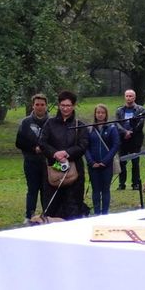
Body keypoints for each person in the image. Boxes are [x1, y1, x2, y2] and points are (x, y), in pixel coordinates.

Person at [39, 90, 89, 219]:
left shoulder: (80, 125)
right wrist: (55, 153)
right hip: (54, 167)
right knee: (53, 204)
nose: (65, 108)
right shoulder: (49, 123)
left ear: (73, 106)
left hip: (74, 170)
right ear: (58, 105)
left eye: (68, 105)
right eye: (63, 105)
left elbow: (83, 145)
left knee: (73, 205)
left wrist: (67, 153)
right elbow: (42, 143)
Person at [14, 93, 50, 223]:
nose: (39, 107)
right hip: (31, 161)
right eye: (37, 105)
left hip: (47, 162)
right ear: (32, 106)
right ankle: (29, 215)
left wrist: (45, 149)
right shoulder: (25, 122)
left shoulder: (51, 121)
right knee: (32, 189)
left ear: (46, 106)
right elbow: (19, 142)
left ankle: (47, 215)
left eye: (42, 105)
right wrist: (33, 148)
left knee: (46, 190)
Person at [85, 104, 120, 216]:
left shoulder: (111, 128)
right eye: (98, 112)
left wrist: (105, 161)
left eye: (102, 113)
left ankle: (105, 213)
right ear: (95, 114)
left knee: (105, 189)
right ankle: (96, 213)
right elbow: (86, 147)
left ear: (106, 114)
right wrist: (91, 162)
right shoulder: (90, 129)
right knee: (96, 190)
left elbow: (115, 145)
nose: (100, 115)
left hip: (107, 164)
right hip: (93, 165)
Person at [115, 89, 145, 191]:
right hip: (123, 139)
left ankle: (135, 184)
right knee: (122, 162)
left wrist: (131, 132)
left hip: (135, 139)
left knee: (135, 162)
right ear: (124, 97)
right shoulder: (119, 110)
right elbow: (117, 123)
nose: (129, 98)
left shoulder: (141, 110)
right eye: (127, 96)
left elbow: (140, 123)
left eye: (131, 96)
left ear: (134, 97)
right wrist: (125, 132)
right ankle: (121, 184)